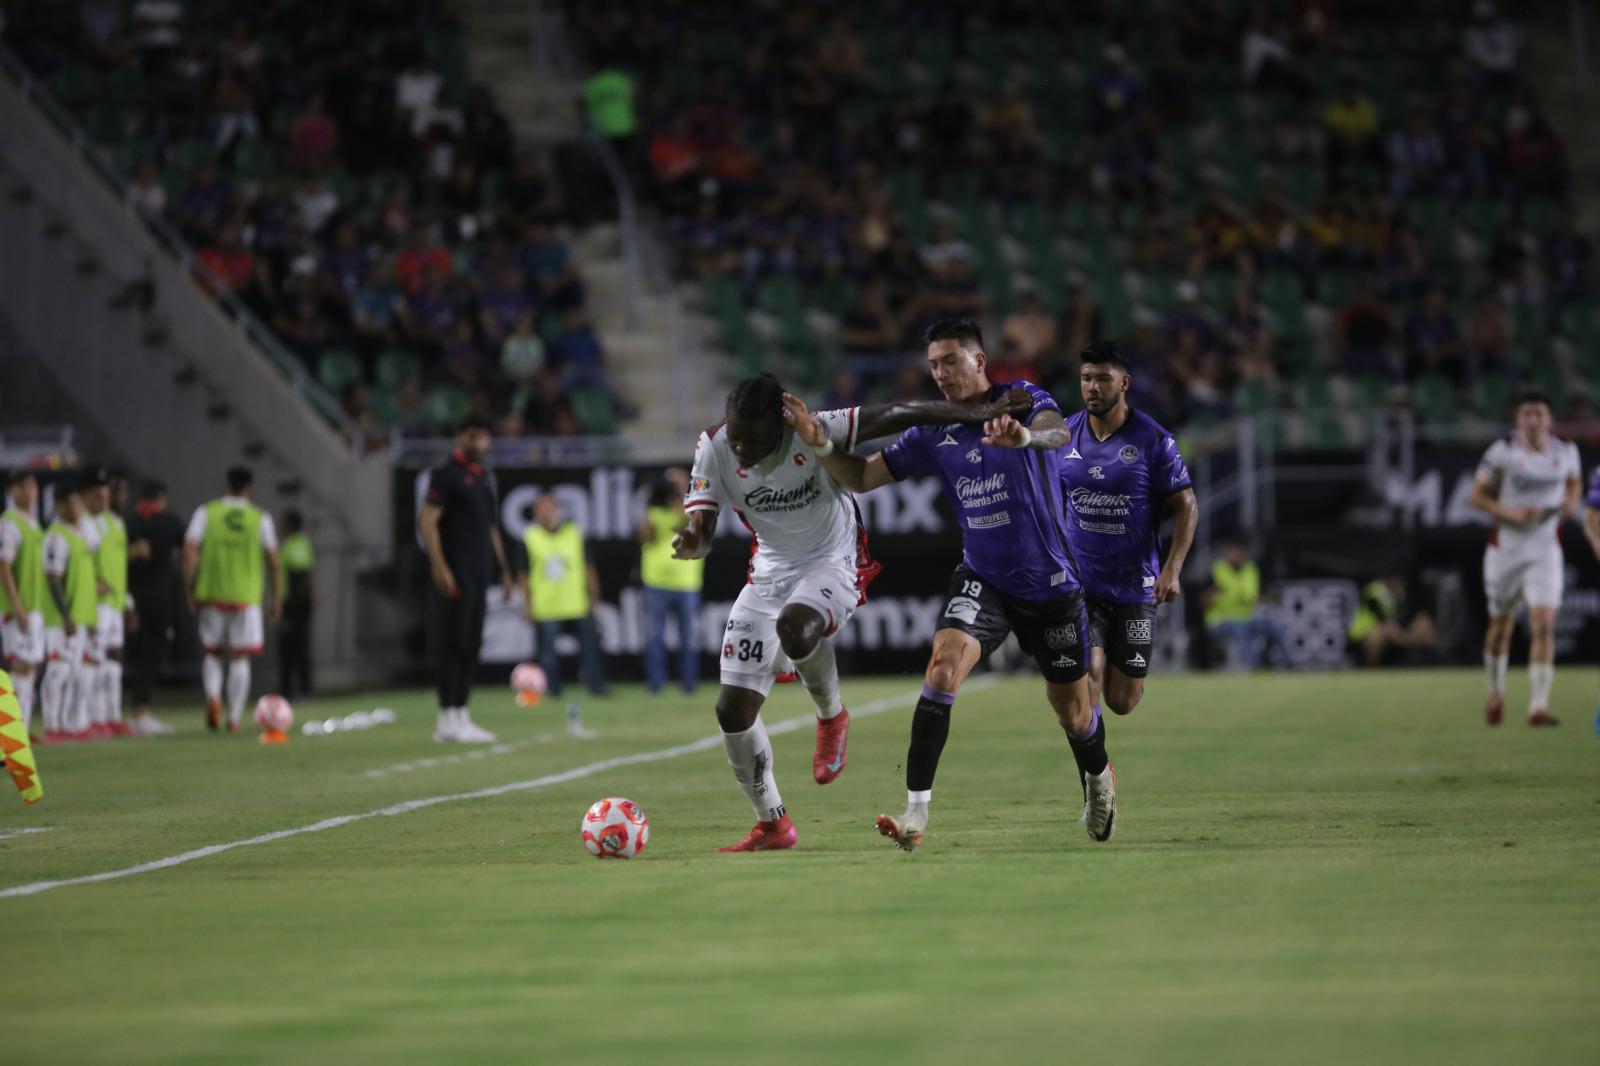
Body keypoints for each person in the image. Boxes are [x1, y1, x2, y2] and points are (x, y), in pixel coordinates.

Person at [785, 317, 1118, 850]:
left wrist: (1025, 436)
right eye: (933, 365)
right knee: (941, 668)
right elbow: (864, 478)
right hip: (984, 577)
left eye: (950, 361)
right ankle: (915, 815)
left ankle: (1100, 782)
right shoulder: (931, 432)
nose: (940, 374)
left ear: (979, 361)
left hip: (1052, 585)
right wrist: (821, 447)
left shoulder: (1019, 398)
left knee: (1074, 715)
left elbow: (1058, 431)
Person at [674, 370, 1027, 852]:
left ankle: (832, 716)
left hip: (832, 561)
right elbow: (704, 525)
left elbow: (900, 413)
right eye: (735, 438)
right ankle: (774, 824)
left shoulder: (815, 428)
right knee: (731, 710)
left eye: (751, 441)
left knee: (796, 628)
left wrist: (978, 412)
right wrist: (694, 541)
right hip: (768, 574)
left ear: (779, 427)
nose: (740, 449)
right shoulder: (713, 447)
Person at [1060, 342, 1198, 744]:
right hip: (1081, 584)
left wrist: (1171, 570)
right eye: (1087, 378)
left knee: (1123, 699)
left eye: (1104, 378)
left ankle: (1099, 743)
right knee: (1090, 672)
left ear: (1125, 383)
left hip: (1136, 584)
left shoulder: (1153, 440)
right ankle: (1097, 776)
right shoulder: (1063, 435)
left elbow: (1187, 505)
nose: (1093, 387)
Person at [1468, 391, 1581, 727]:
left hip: (1545, 550)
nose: (1533, 420)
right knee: (1500, 627)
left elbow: (1574, 483)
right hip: (1507, 550)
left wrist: (1571, 502)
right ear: (1518, 419)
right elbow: (1475, 496)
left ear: (1549, 419)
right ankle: (1495, 691)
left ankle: (1538, 707)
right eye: (1527, 414)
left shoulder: (1566, 452)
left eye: (1539, 414)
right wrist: (1510, 512)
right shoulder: (1502, 452)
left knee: (1544, 623)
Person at [418, 414, 518, 743]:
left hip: (480, 573)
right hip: (457, 572)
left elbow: (491, 528)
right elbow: (427, 521)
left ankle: (461, 714)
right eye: (473, 436)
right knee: (454, 644)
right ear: (461, 436)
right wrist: (439, 566)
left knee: (472, 645)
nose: (479, 443)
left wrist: (504, 570)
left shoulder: (484, 477)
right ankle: (446, 717)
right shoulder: (446, 475)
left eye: (484, 437)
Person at [183, 467, 283, 733]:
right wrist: (277, 598)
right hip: (246, 596)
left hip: (212, 592)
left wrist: (189, 589)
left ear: (225, 485)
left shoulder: (207, 512)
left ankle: (213, 697)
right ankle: (235, 717)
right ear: (249, 490)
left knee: (213, 652)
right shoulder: (260, 518)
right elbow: (273, 560)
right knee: (240, 658)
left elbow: (190, 550)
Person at [522, 493, 607, 700]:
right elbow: (523, 574)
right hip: (546, 606)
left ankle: (597, 688)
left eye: (550, 507)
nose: (547, 511)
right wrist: (527, 604)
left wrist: (593, 596)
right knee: (547, 655)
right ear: (535, 513)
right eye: (542, 508)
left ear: (558, 509)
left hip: (576, 603)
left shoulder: (574, 533)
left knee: (591, 649)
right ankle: (553, 692)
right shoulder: (529, 537)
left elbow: (588, 567)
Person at [41, 480, 99, 742]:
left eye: (79, 503)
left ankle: (66, 725)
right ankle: (52, 726)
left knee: (73, 673)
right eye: (72, 504)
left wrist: (88, 616)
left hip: (80, 616)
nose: (77, 509)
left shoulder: (80, 535)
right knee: (58, 671)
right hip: (60, 619)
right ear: (59, 505)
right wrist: (65, 615)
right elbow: (53, 579)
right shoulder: (56, 537)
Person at [637, 467, 703, 695]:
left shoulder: (692, 507)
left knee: (688, 639)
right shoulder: (655, 510)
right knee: (655, 638)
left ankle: (689, 683)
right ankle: (656, 684)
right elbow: (644, 536)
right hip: (656, 582)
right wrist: (647, 505)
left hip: (686, 582)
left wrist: (681, 492)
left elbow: (691, 518)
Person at [125, 479, 183, 735]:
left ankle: (119, 712)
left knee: (129, 656)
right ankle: (141, 711)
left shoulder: (128, 522)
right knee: (151, 655)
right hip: (160, 598)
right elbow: (187, 551)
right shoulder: (170, 522)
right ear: (162, 498)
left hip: (129, 597)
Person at [80, 468, 132, 737]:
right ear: (86, 497)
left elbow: (119, 566)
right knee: (94, 659)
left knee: (113, 662)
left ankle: (111, 716)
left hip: (115, 604)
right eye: (98, 496)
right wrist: (92, 584)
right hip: (95, 604)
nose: (104, 501)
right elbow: (78, 565)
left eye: (106, 495)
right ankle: (91, 718)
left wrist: (128, 601)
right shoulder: (83, 524)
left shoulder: (116, 523)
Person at [0, 471, 46, 736]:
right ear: (12, 491)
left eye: (33, 485)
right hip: (15, 610)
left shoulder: (34, 524)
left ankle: (22, 728)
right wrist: (16, 605)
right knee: (19, 667)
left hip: (35, 608)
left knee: (30, 668)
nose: (31, 490)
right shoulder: (9, 523)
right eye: (25, 486)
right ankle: (11, 734)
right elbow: (3, 566)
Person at [1203, 541, 1291, 670]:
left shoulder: (1251, 569)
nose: (1237, 555)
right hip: (1220, 620)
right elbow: (1202, 602)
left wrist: (1270, 598)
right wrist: (1213, 593)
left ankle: (1289, 665)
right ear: (1226, 553)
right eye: (1233, 551)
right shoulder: (1216, 570)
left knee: (1276, 628)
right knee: (1239, 629)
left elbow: (1255, 597)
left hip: (1248, 619)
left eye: (1240, 552)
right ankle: (1254, 667)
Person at [1348, 574, 1438, 666]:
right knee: (1376, 635)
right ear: (1388, 581)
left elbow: (1414, 616)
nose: (1399, 586)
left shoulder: (1401, 594)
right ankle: (1372, 669)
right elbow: (1387, 623)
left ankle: (1430, 664)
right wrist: (1408, 640)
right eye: (1397, 582)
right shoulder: (1372, 593)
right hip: (1362, 635)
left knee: (1424, 625)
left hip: (1394, 633)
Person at [278, 510, 316, 700]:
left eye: (282, 523)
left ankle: (303, 690)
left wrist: (309, 594)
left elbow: (301, 573)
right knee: (288, 647)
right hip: (290, 602)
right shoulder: (290, 544)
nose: (279, 526)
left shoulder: (296, 544)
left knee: (297, 646)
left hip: (295, 604)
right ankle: (289, 691)